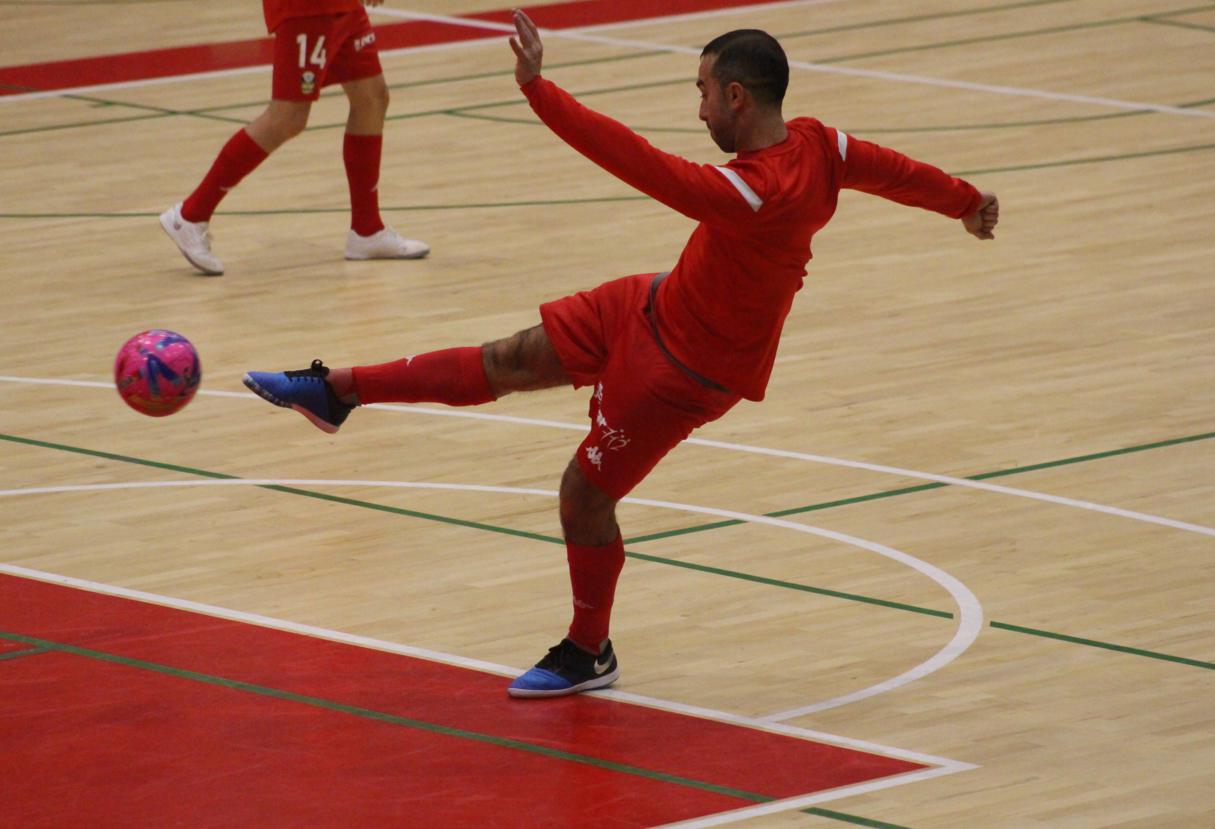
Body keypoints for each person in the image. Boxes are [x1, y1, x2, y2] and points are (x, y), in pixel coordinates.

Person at [242, 9, 999, 697]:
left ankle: (588, 650)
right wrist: (965, 202)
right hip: (653, 303)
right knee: (508, 357)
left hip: (685, 373)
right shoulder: (822, 144)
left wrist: (539, 91)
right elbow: (896, 172)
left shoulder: (752, 194)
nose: (698, 107)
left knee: (583, 496)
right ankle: (338, 390)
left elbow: (633, 159)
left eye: (703, 92)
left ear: (737, 97)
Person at [160, 0, 428, 276]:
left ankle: (367, 230)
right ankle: (190, 215)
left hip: (342, 6)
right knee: (287, 116)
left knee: (372, 97)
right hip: (308, 7)